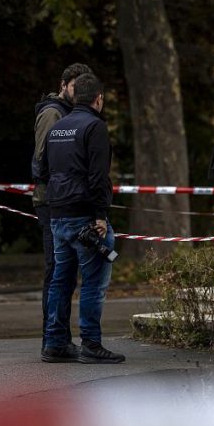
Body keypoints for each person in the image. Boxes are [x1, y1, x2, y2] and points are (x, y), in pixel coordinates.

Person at [38, 73, 124, 364]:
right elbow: (98, 176)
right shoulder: (94, 126)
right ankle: (91, 343)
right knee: (93, 283)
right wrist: (100, 215)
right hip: (85, 216)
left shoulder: (57, 127)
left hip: (57, 215)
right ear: (98, 99)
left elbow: (42, 170)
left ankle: (54, 343)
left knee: (60, 282)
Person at [32, 62, 92, 357]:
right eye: (75, 86)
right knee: (57, 271)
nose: (78, 92)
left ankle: (58, 339)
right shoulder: (53, 113)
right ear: (64, 84)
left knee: (65, 273)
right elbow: (42, 161)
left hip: (62, 200)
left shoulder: (71, 113)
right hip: (52, 201)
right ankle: (53, 340)